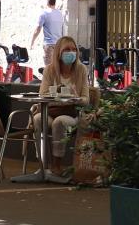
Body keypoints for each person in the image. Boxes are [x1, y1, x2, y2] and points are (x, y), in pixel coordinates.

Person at [33, 36, 90, 175]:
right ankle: (41, 163)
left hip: (72, 113)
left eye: (73, 49)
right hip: (51, 111)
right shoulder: (49, 70)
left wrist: (75, 98)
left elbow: (86, 99)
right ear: (59, 52)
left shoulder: (81, 69)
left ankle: (56, 165)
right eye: (66, 50)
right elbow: (43, 95)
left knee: (60, 122)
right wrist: (61, 97)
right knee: (37, 119)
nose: (71, 53)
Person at [31, 0, 64, 67]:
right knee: (57, 68)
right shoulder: (60, 14)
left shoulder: (44, 13)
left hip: (49, 45)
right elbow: (62, 29)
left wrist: (32, 41)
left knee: (49, 69)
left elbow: (38, 29)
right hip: (59, 45)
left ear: (47, 2)